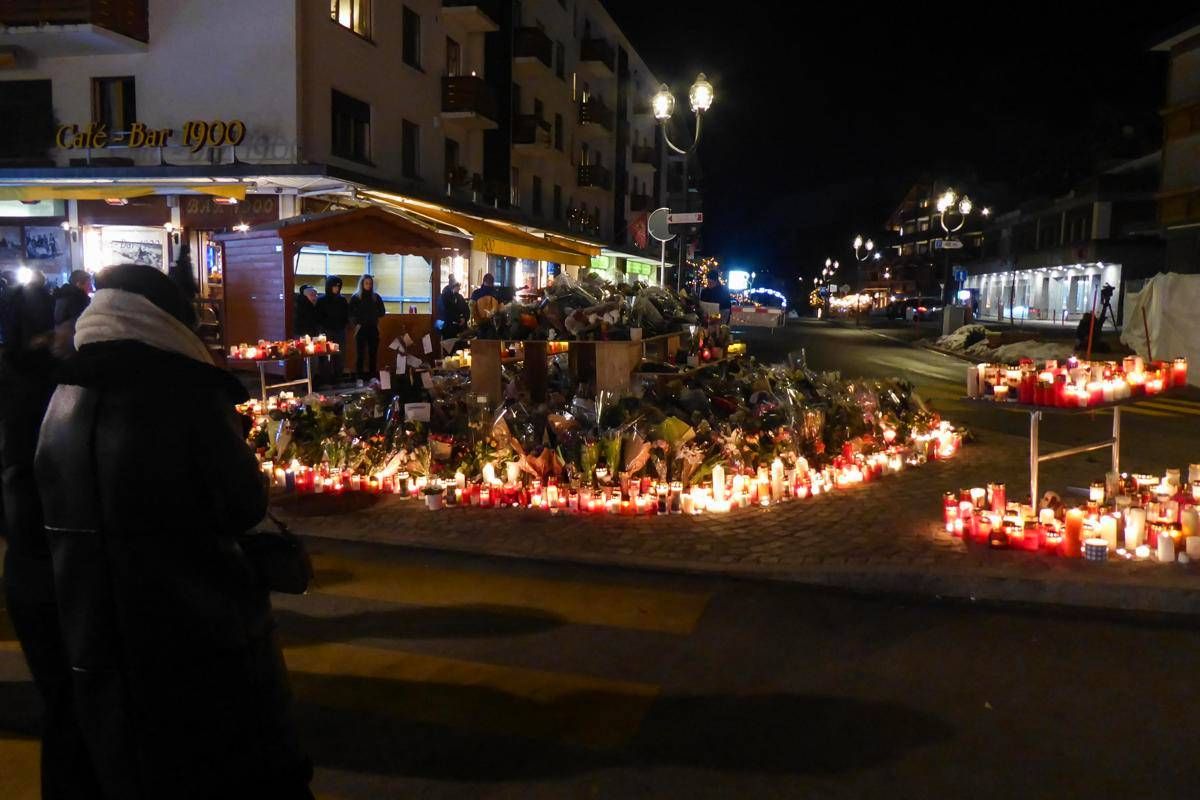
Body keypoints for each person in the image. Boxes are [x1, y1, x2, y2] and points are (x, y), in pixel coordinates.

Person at [35, 264, 313, 799]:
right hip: (198, 635)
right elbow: (242, 502)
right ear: (166, 317)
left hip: (101, 645)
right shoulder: (186, 389)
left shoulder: (61, 398)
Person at [1, 270, 99, 798]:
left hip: (31, 564)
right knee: (77, 705)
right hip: (60, 565)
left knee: (65, 704)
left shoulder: (18, 380)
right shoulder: (67, 389)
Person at [349, 275, 386, 380]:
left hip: (373, 327)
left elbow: (382, 312)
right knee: (360, 354)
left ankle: (372, 376)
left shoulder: (376, 297)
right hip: (361, 328)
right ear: (362, 284)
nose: (369, 285)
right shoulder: (356, 297)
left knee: (373, 353)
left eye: (370, 283)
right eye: (366, 283)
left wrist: (373, 315)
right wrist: (358, 322)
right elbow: (350, 313)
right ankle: (359, 377)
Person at [315, 275, 349, 383]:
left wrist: (344, 325)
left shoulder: (342, 300)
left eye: (338, 286)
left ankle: (338, 377)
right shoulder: (321, 300)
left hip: (339, 331)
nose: (336, 288)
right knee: (325, 357)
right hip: (326, 332)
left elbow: (346, 315)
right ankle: (325, 379)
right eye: (334, 286)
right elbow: (318, 317)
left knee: (339, 356)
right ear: (329, 286)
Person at [52, 270, 93, 357]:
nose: (91, 287)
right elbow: (80, 323)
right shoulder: (78, 299)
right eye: (88, 283)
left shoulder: (63, 295)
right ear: (79, 283)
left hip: (62, 340)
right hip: (72, 343)